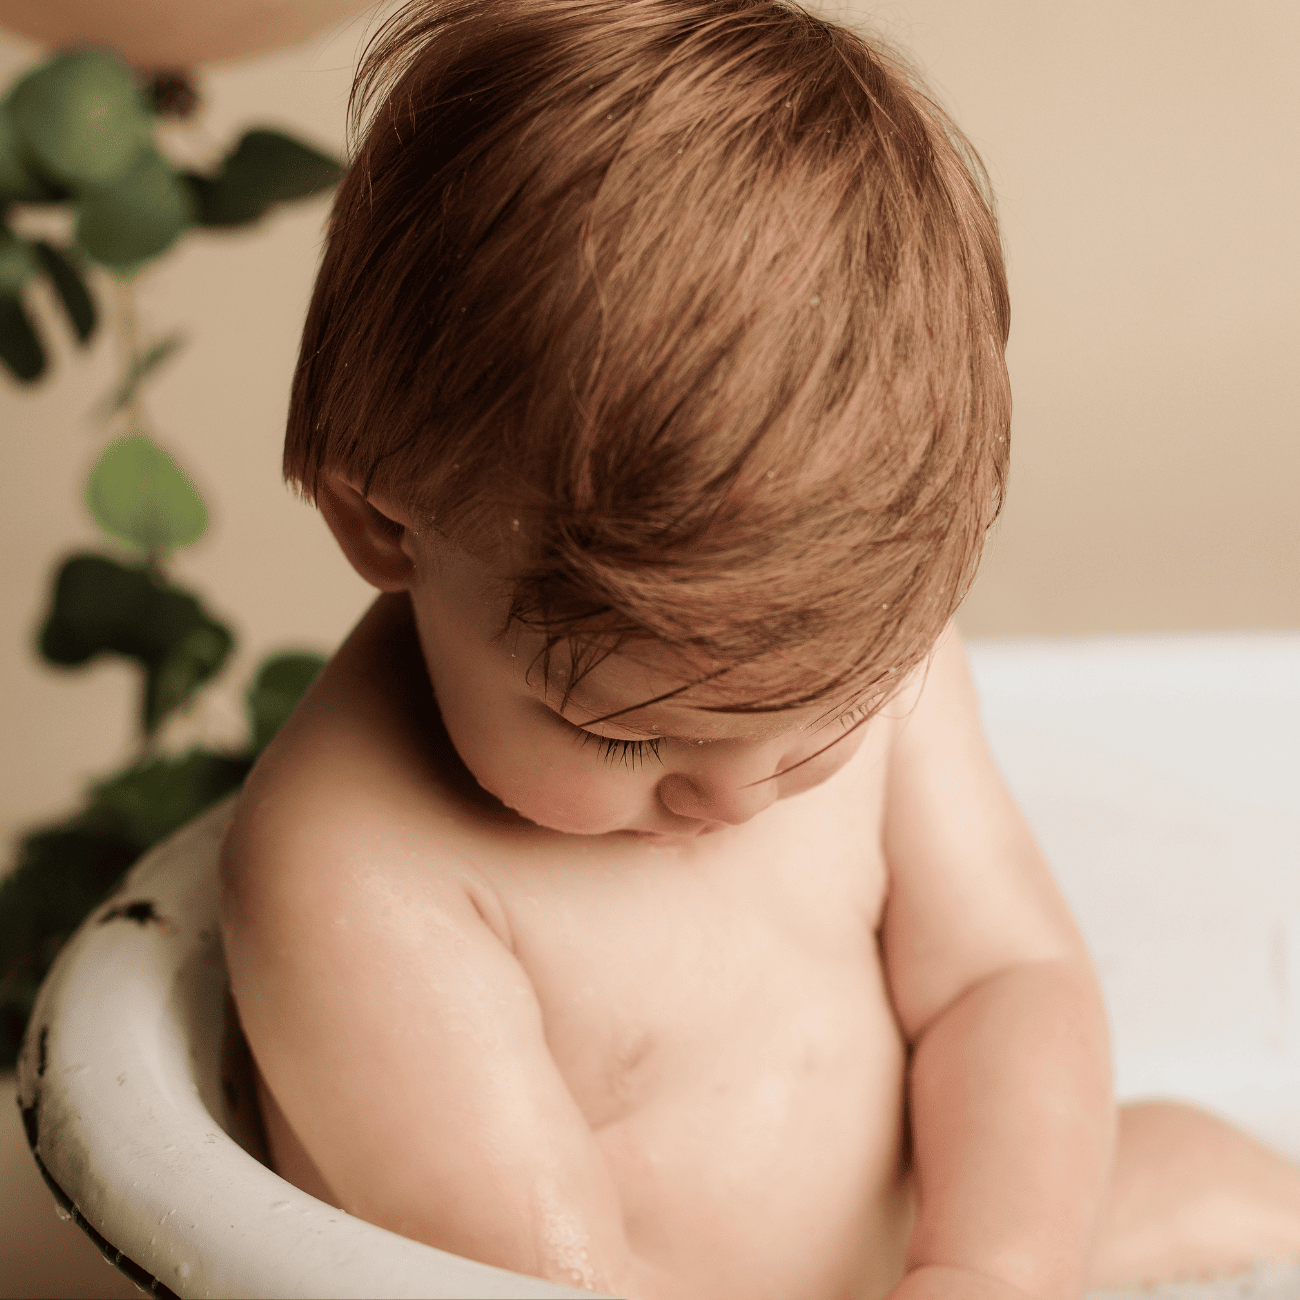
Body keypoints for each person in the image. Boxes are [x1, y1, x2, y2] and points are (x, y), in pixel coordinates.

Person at [217, 1, 1300, 1296]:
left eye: (823, 718)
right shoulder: (354, 877)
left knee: (1227, 1178)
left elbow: (1001, 979)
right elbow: (549, 1281)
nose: (738, 799)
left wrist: (993, 1268)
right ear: (381, 518)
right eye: (625, 731)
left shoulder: (850, 647)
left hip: (921, 1250)